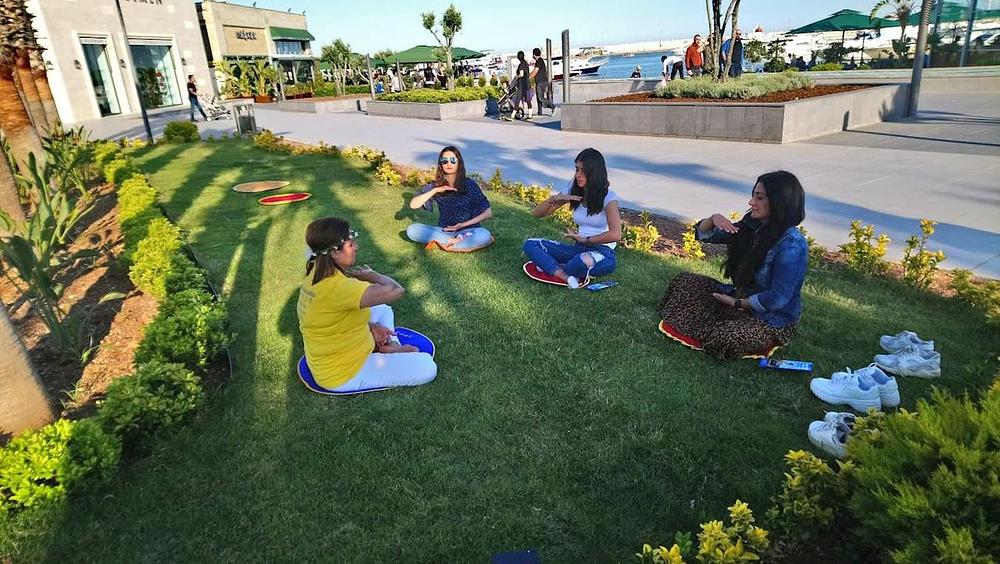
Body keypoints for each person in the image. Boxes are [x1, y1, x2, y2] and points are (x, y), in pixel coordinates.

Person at [658, 171, 808, 359]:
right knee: (685, 281)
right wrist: (713, 219)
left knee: (725, 337)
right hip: (737, 297)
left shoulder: (792, 244)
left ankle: (721, 325)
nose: (751, 202)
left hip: (770, 319)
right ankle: (719, 319)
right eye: (753, 195)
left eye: (759, 197)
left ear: (779, 201)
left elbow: (778, 298)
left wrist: (739, 304)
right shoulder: (752, 225)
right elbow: (710, 234)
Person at [298, 217, 437, 393]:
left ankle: (391, 347)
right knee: (427, 366)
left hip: (331, 352)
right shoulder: (340, 287)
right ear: (333, 253)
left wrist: (372, 326)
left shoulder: (313, 271)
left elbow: (330, 316)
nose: (356, 247)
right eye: (350, 244)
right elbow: (395, 290)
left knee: (381, 310)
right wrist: (372, 275)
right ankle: (389, 348)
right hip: (343, 372)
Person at [522, 148, 622, 289]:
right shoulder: (573, 189)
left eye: (583, 171)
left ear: (595, 173)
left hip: (602, 251)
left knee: (580, 263)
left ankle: (551, 266)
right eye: (576, 170)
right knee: (530, 244)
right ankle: (564, 275)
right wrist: (555, 199)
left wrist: (586, 240)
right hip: (578, 248)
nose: (578, 175)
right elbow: (537, 214)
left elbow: (616, 234)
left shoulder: (609, 198)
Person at [406, 146, 494, 252]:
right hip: (445, 231)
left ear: (459, 163)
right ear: (441, 164)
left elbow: (488, 213)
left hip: (469, 230)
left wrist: (462, 225)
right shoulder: (436, 186)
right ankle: (455, 242)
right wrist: (435, 190)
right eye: (445, 161)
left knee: (484, 235)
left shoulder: (469, 185)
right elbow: (413, 205)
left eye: (453, 160)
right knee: (412, 230)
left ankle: (450, 244)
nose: (449, 164)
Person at [530, 47, 556, 116]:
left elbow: (535, 72)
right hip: (542, 81)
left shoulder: (539, 61)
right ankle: (539, 112)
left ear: (534, 54)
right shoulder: (540, 61)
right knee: (539, 97)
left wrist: (528, 77)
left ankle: (553, 106)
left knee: (540, 98)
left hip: (541, 82)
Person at [512, 51, 533, 119]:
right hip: (527, 84)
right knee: (528, 100)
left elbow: (521, 74)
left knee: (517, 100)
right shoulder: (526, 64)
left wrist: (516, 77)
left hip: (521, 85)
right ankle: (530, 114)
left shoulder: (521, 65)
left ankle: (513, 114)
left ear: (518, 57)